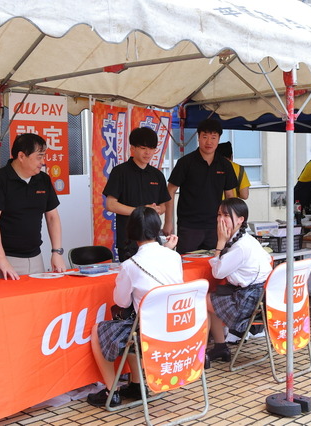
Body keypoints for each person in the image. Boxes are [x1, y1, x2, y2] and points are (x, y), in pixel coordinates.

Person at [87, 206, 182, 407]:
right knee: (131, 329)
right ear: (157, 229)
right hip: (177, 330)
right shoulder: (174, 257)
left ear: (131, 231)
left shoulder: (131, 265)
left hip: (148, 333)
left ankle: (111, 391)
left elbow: (121, 302)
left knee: (100, 330)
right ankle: (137, 385)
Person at [0, 133, 65, 280]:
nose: (43, 162)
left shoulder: (43, 179)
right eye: (39, 157)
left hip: (34, 254)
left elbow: (52, 217)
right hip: (5, 256)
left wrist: (56, 252)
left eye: (44, 156)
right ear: (21, 156)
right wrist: (1, 260)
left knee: (36, 300)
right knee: (8, 302)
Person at [206, 198, 273, 363]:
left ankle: (202, 353)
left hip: (248, 301)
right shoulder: (247, 239)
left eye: (226, 216)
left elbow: (218, 273)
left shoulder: (241, 246)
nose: (221, 219)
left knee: (203, 300)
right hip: (261, 297)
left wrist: (220, 242)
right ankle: (220, 347)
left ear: (241, 219)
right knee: (210, 298)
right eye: (219, 214)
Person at [163, 119, 238, 254]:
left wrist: (231, 223)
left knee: (215, 262)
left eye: (213, 137)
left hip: (215, 226)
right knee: (186, 264)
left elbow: (230, 196)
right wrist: (168, 222)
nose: (209, 142)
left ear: (219, 139)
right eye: (205, 137)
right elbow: (170, 190)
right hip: (189, 226)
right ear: (198, 138)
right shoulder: (185, 162)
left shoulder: (225, 165)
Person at [102, 127, 171, 261]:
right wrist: (140, 211)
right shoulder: (120, 172)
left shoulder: (157, 175)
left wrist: (157, 210)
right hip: (128, 239)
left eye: (151, 149)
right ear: (132, 148)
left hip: (153, 240)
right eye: (143, 148)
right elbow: (110, 204)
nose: (148, 153)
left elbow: (164, 205)